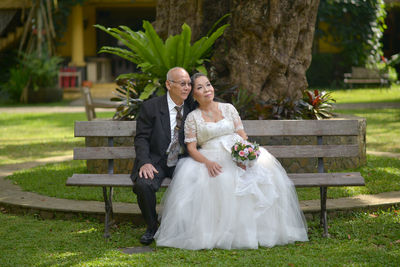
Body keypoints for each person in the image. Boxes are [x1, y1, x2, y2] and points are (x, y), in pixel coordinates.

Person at [154, 73, 308, 249]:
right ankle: (222, 232)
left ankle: (259, 229)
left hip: (236, 152)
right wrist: (207, 163)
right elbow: (191, 149)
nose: (206, 90)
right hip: (210, 157)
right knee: (220, 180)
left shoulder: (228, 108)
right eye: (200, 87)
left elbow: (242, 136)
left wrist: (246, 155)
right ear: (193, 94)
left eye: (208, 85)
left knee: (265, 174)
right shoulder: (193, 117)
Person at [131, 67, 193, 245]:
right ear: (168, 84)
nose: (187, 88)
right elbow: (141, 137)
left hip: (182, 161)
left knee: (199, 180)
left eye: (189, 84)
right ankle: (152, 227)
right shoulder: (151, 106)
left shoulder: (192, 107)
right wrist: (144, 162)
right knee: (144, 185)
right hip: (156, 160)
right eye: (182, 83)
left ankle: (187, 226)